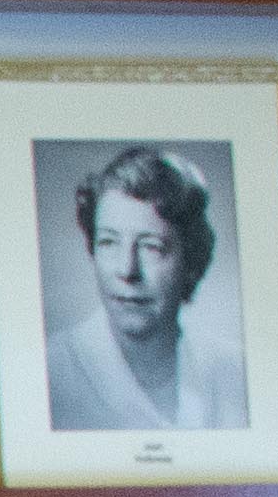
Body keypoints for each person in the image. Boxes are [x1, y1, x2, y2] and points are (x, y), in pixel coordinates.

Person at [45, 146, 248, 432]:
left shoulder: (236, 371)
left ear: (190, 258)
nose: (127, 270)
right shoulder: (50, 372)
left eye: (151, 246)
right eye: (109, 242)